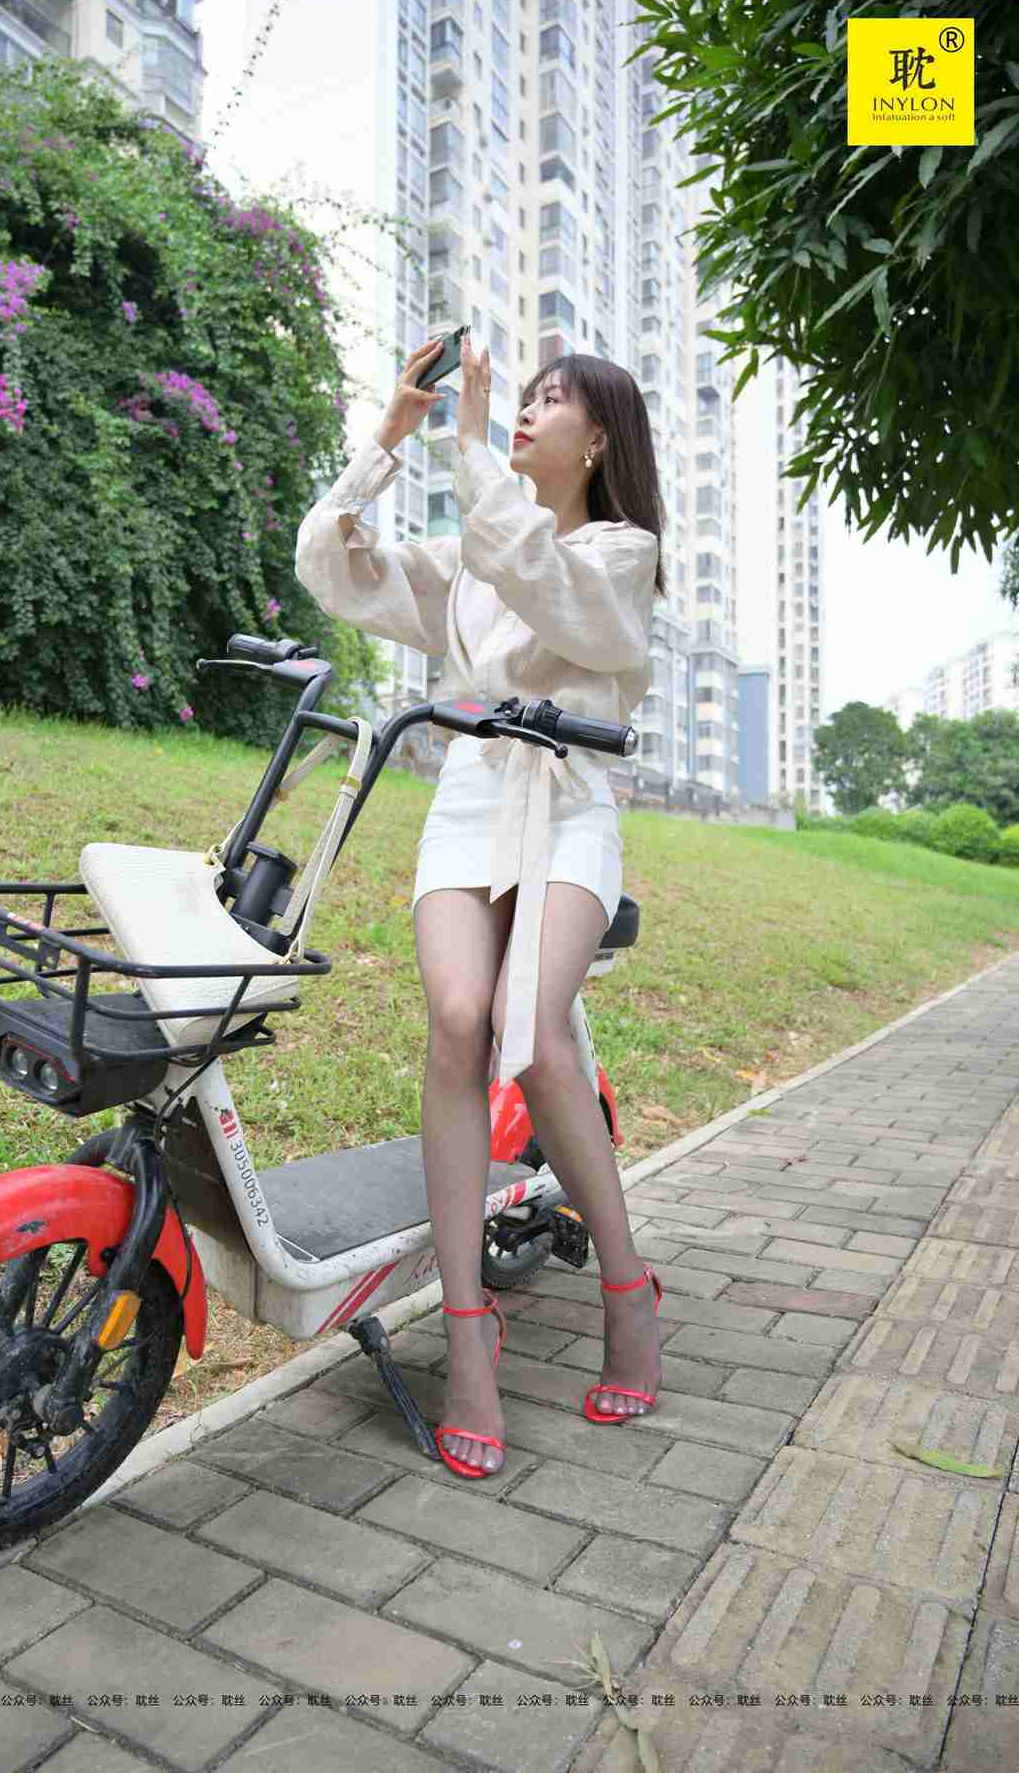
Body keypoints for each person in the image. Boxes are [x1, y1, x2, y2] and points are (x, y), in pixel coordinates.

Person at [295, 330, 669, 1479]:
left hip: (568, 805)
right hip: (468, 803)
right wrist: (390, 440)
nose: (524, 410)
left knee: (535, 1035)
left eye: (551, 400)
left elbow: (550, 587)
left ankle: (627, 1288)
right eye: (524, 396)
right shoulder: (469, 556)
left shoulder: (622, 553)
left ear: (597, 439)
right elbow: (338, 570)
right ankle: (467, 1331)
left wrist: (467, 443)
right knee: (458, 1021)